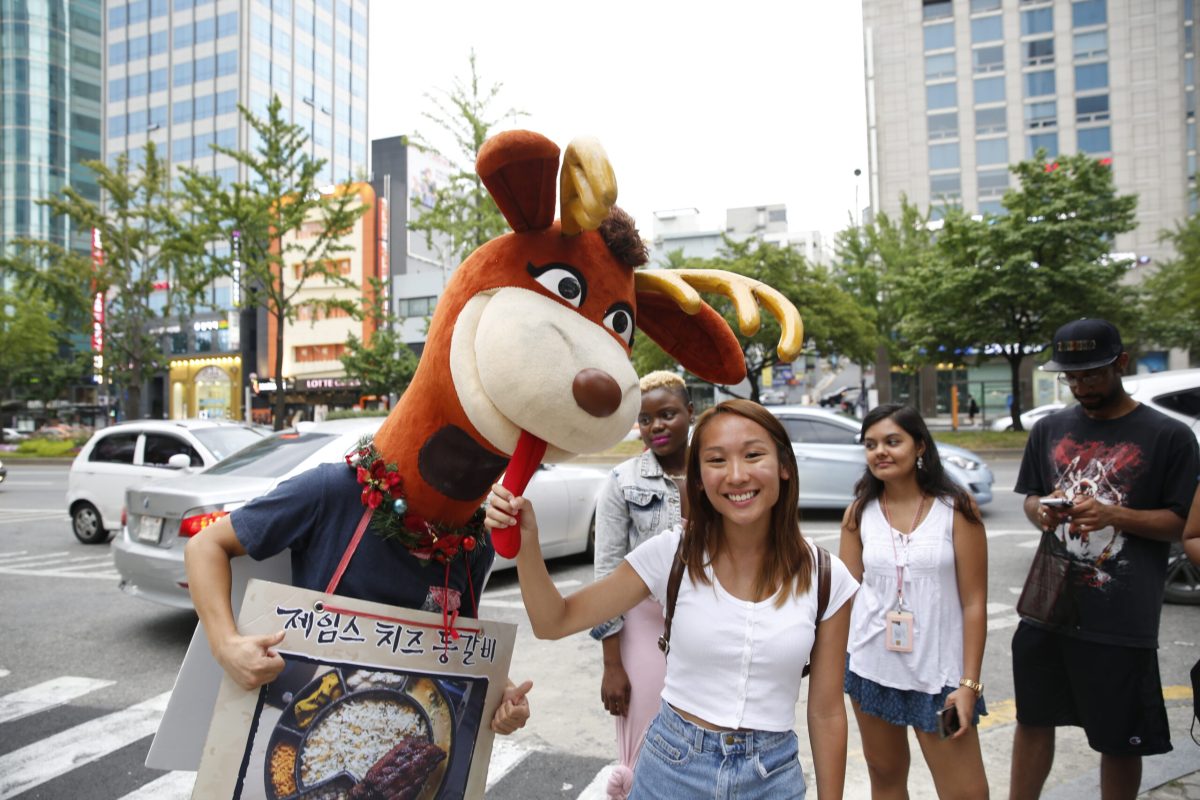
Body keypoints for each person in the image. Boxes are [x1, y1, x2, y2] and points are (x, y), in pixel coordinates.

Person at [486, 399, 858, 799]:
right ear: (698, 479)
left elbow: (827, 711)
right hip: (672, 768)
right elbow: (553, 621)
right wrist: (526, 542)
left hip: (772, 777)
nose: (736, 475)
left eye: (753, 455)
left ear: (784, 466)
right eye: (716, 460)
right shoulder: (673, 554)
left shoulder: (827, 577)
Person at [183, 459, 533, 735]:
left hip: (408, 733)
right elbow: (205, 545)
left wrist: (503, 697)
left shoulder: (472, 539)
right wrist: (225, 644)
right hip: (307, 709)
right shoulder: (332, 491)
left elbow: (459, 652)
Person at [1009, 318, 1200, 800]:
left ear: (1121, 364)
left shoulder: (1170, 436)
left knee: (1120, 738)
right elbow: (1030, 499)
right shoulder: (1049, 428)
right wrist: (1043, 512)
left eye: (1091, 374)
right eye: (1071, 377)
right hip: (1047, 605)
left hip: (1122, 616)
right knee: (1033, 719)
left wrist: (1115, 514)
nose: (1080, 385)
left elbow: (1182, 524)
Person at [840, 403, 989, 799]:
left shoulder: (956, 508)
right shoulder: (859, 513)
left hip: (940, 680)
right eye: (870, 445)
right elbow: (847, 597)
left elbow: (974, 602)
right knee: (886, 780)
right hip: (872, 669)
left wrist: (969, 683)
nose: (880, 452)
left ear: (920, 446)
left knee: (967, 793)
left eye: (893, 441)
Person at [591, 371, 693, 798]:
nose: (656, 426)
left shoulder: (718, 471)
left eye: (667, 414)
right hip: (644, 627)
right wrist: (612, 664)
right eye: (645, 419)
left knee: (698, 738)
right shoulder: (621, 481)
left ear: (691, 412)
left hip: (706, 620)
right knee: (642, 746)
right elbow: (607, 574)